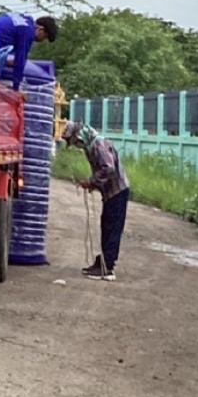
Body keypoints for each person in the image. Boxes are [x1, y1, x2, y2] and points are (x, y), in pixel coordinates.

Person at [60, 120, 130, 281]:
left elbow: (108, 168)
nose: (76, 145)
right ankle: (102, 262)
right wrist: (95, 184)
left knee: (112, 228)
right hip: (110, 193)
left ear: (79, 137)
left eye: (74, 142)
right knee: (106, 225)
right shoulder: (92, 146)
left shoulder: (98, 145)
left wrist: (92, 182)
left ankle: (108, 267)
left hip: (117, 192)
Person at [0, 11, 58, 90]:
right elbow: (20, 62)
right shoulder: (27, 31)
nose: (42, 40)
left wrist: (6, 61)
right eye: (44, 37)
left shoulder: (21, 20)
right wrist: (16, 89)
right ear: (40, 29)